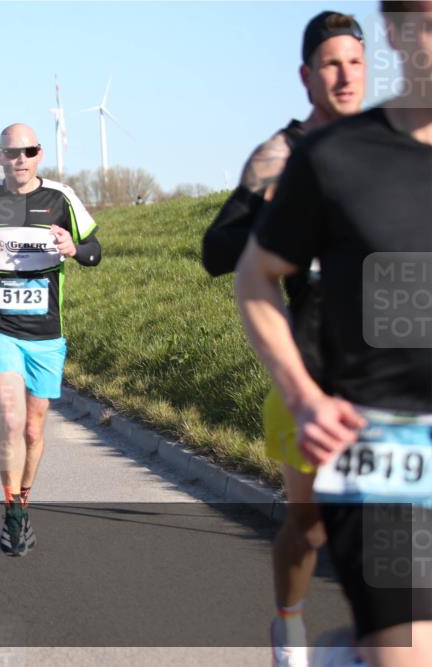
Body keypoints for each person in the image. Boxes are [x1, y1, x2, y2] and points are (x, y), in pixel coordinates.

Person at [235, 2, 432, 664]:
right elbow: (253, 276)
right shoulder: (332, 157)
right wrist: (303, 396)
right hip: (388, 442)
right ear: (399, 34)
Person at [202, 11, 366, 665]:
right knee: (312, 525)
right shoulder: (281, 154)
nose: (345, 75)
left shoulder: (392, 144)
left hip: (389, 370)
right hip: (310, 367)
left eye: (355, 62)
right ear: (306, 76)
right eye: (331, 63)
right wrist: (277, 214)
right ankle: (290, 623)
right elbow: (217, 251)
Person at [0, 124, 101, 556]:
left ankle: (24, 501)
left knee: (34, 429)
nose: (21, 158)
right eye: (12, 152)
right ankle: (12, 513)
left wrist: (74, 248)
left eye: (29, 151)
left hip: (47, 335)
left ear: (39, 153)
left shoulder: (61, 198)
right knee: (12, 419)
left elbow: (95, 251)